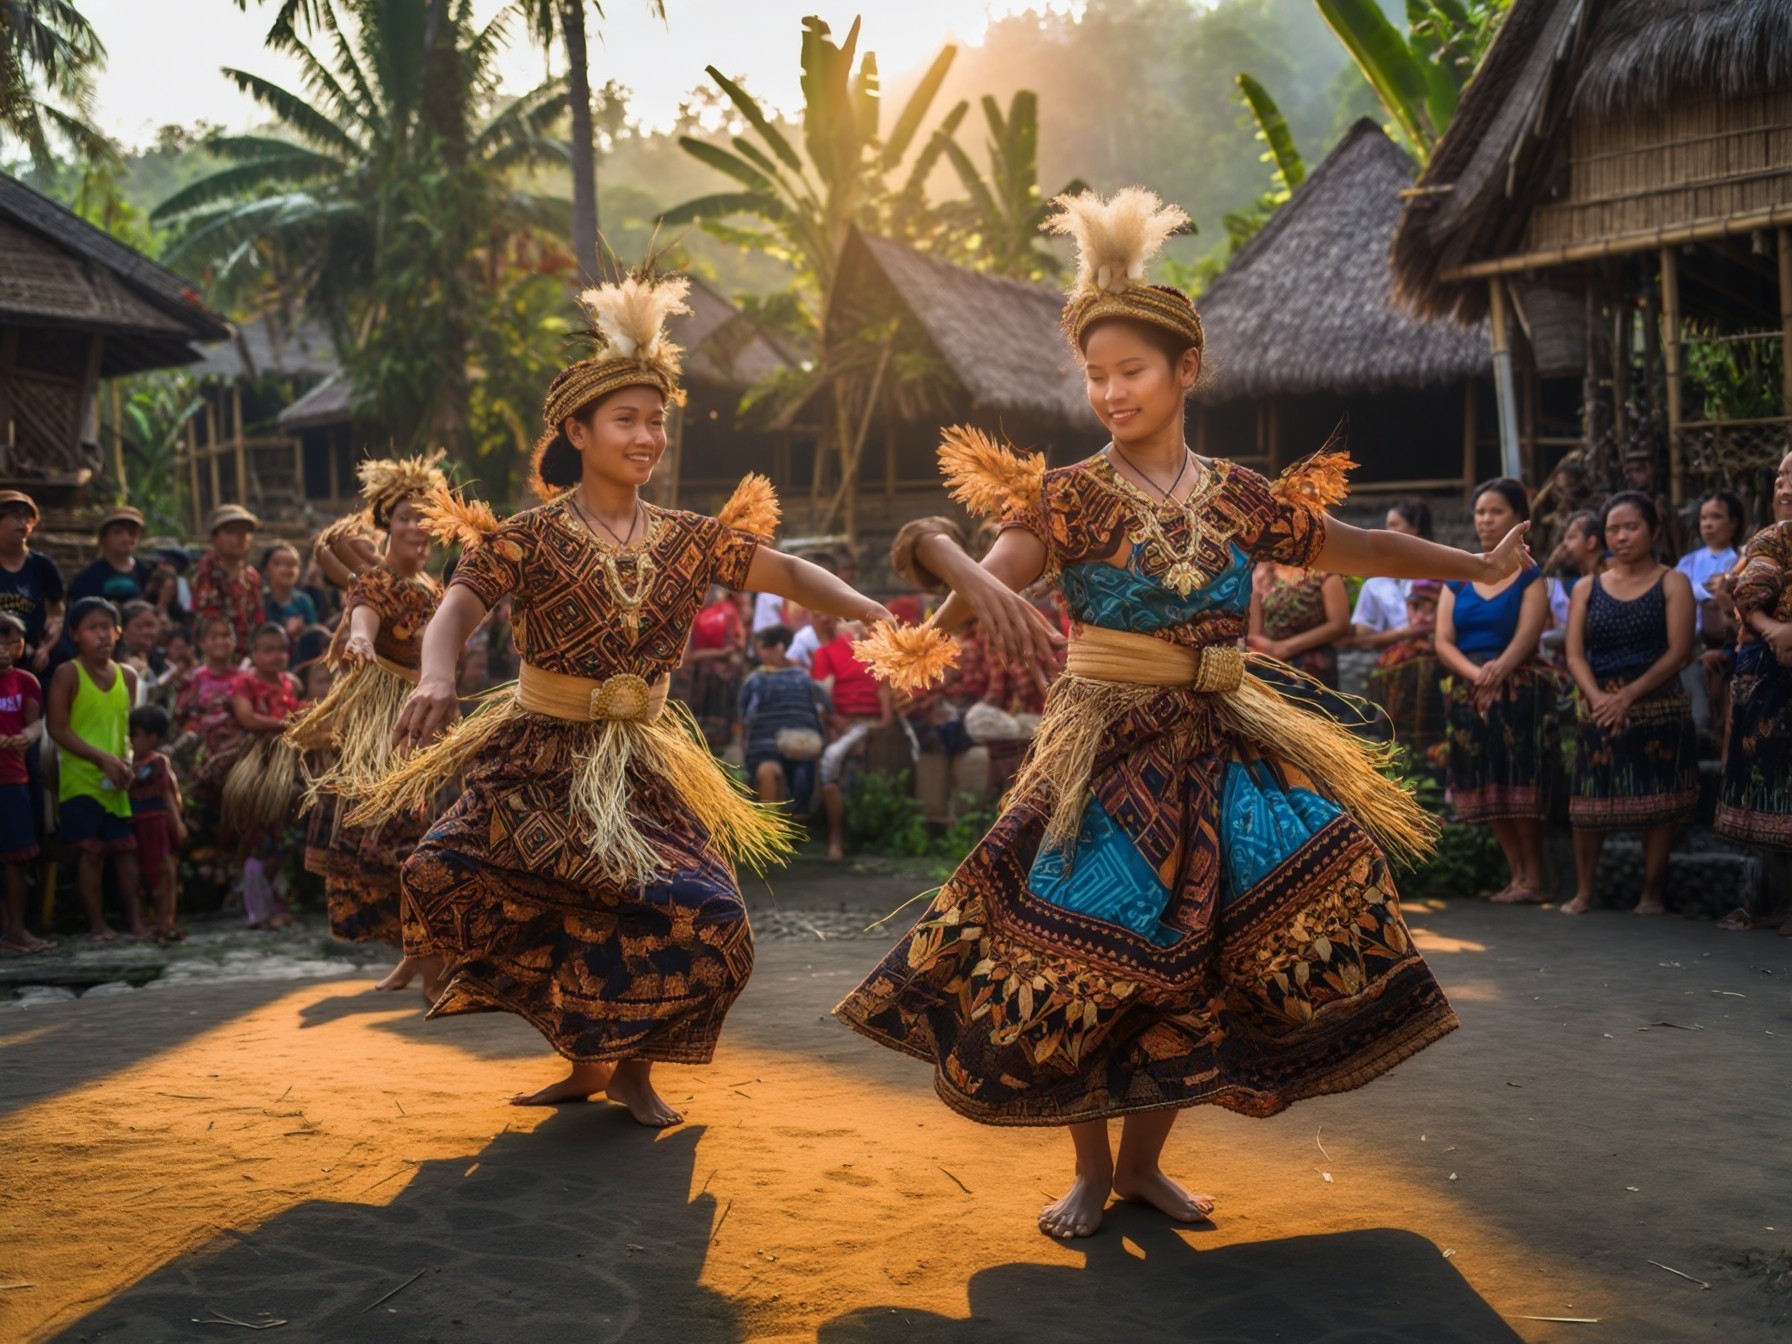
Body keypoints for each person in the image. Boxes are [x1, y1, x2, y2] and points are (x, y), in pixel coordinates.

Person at [835, 189, 1530, 1241]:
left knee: (1233, 935)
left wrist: (1476, 566)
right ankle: (1086, 1172)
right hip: (1107, 757)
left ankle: (1143, 1170)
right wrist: (937, 551)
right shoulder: (1065, 499)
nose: (1109, 392)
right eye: (1095, 375)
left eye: (1131, 372)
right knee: (1090, 949)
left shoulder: (1245, 498)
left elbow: (1370, 550)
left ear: (1184, 372)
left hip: (1224, 746)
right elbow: (971, 592)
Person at [355, 268, 896, 1120]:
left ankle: (636, 1070)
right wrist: (435, 672)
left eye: (657, 422)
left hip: (644, 765)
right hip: (539, 756)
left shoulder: (687, 539)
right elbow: (456, 608)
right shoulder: (525, 537)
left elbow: (783, 568)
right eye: (627, 421)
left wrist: (865, 608)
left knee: (707, 915)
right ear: (577, 429)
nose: (647, 437)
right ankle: (585, 1061)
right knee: (446, 875)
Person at [288, 453, 449, 993]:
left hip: (425, 718)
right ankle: (428, 963)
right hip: (384, 727)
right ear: (387, 522)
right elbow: (363, 615)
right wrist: (358, 638)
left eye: (425, 516)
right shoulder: (376, 581)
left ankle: (413, 957)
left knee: (423, 835)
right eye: (405, 515)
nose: (416, 526)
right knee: (394, 840)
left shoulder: (438, 591)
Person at [1561, 493, 1697, 916]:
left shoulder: (1672, 582)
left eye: (1631, 527)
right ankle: (1585, 892)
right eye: (1614, 530)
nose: (1622, 537)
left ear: (1653, 531)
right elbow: (1575, 654)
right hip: (1598, 705)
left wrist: (1628, 695)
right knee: (1587, 804)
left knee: (1659, 803)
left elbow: (1679, 651)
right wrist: (1600, 697)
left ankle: (1651, 894)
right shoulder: (1587, 587)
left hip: (1656, 702)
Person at [1435, 479, 1557, 905]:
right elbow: (1443, 640)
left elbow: (1529, 633)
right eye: (1480, 512)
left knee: (1521, 781)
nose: (1485, 520)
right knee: (1487, 785)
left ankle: (1534, 877)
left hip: (1519, 686)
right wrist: (1476, 675)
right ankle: (1515, 876)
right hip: (1471, 692)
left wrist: (1500, 669)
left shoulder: (1530, 575)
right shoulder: (1458, 575)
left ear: (1518, 519)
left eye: (1496, 511)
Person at [46, 597, 143, 941]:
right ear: (75, 634)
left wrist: (125, 763)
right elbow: (58, 729)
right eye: (93, 628)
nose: (102, 635)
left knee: (126, 850)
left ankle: (136, 923)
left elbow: (128, 731)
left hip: (117, 779)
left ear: (118, 633)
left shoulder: (127, 676)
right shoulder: (67, 673)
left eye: (108, 628)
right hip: (80, 777)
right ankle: (98, 926)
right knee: (91, 853)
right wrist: (101, 758)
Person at [1717, 450, 1792, 877]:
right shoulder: (1769, 541)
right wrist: (1773, 629)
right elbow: (1748, 593)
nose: (1783, 486)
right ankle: (1759, 900)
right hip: (1765, 672)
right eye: (1780, 477)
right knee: (1764, 777)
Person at [219, 624, 303, 929]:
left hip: (283, 765)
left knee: (280, 838)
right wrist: (289, 724)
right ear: (253, 654)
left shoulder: (288, 684)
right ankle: (259, 911)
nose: (276, 656)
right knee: (259, 838)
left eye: (281, 649)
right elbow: (248, 719)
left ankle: (274, 906)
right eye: (267, 650)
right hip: (255, 766)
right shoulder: (244, 683)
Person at [813, 613, 896, 861]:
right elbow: (820, 698)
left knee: (837, 763)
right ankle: (835, 838)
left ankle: (847, 837)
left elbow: (885, 701)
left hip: (867, 725)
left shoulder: (880, 652)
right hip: (839, 725)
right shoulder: (826, 653)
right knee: (831, 765)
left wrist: (880, 724)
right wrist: (834, 723)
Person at [738, 624, 831, 811]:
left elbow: (743, 715)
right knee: (774, 772)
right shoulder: (801, 678)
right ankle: (781, 827)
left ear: (780, 648)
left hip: (786, 746)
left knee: (773, 772)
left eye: (764, 647)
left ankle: (777, 829)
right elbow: (826, 706)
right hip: (784, 745)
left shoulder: (760, 680)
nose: (761, 654)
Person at [1675, 490, 1744, 741]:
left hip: (1728, 647)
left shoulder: (1741, 561)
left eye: (1716, 517)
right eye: (1704, 518)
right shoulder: (1688, 563)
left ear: (1733, 522)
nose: (1708, 524)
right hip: (1688, 649)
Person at [0, 613, 47, 952]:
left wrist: (25, 737)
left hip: (13, 777)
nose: (4, 649)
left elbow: (35, 723)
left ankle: (16, 930)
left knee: (17, 857)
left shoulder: (27, 681)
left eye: (11, 641)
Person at [128, 704, 187, 941]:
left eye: (137, 734)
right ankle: (152, 921)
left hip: (157, 824)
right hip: (138, 824)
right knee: (145, 874)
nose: (132, 740)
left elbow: (167, 794)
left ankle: (166, 921)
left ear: (153, 737)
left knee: (164, 871)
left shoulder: (157, 762)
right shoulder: (133, 764)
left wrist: (177, 823)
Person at [1247, 562, 1350, 688]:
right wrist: (1271, 648)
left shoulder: (1324, 572)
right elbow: (1254, 633)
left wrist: (1287, 647)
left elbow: (1339, 624)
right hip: (1275, 663)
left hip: (1315, 664)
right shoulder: (1263, 574)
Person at [0, 490, 65, 674]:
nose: (23, 524)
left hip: (34, 658)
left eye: (27, 518)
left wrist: (46, 648)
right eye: (15, 517)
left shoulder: (42, 565)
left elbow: (57, 610)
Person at [192, 504, 262, 662]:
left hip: (249, 658)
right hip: (214, 658)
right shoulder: (204, 573)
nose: (239, 538)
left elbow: (257, 619)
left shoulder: (252, 577)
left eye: (244, 532)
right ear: (214, 537)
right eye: (230, 532)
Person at [69, 507, 153, 605]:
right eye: (117, 532)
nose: (126, 538)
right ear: (103, 538)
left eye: (132, 533)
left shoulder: (148, 573)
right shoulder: (87, 579)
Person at [262, 542, 318, 638]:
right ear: (266, 569)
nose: (286, 569)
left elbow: (313, 637)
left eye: (292, 564)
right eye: (278, 563)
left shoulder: (304, 601)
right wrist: (287, 632)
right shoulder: (260, 599)